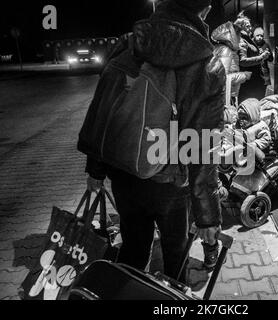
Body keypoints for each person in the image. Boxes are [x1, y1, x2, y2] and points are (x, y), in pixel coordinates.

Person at [78, 0, 225, 280]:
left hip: (123, 171)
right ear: (204, 11)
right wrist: (207, 216)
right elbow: (203, 145)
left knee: (133, 249)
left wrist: (95, 170)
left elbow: (105, 109)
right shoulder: (208, 64)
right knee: (175, 253)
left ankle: (127, 289)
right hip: (169, 181)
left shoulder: (129, 44)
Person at [211, 21, 252, 110]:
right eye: (239, 35)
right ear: (232, 35)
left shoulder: (223, 48)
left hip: (228, 95)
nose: (240, 39)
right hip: (226, 98)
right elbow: (223, 79)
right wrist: (243, 76)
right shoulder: (225, 50)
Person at [235, 13, 272, 103]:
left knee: (254, 106)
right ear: (241, 27)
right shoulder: (242, 40)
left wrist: (261, 55)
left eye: (250, 26)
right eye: (247, 26)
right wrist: (261, 57)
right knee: (251, 107)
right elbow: (242, 61)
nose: (250, 28)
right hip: (250, 82)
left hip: (254, 80)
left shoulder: (247, 39)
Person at [252, 27, 274, 96]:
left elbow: (271, 59)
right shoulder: (251, 45)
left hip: (264, 73)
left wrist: (267, 55)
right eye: (257, 35)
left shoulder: (265, 45)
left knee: (262, 93)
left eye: (261, 36)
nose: (260, 37)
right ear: (254, 36)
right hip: (253, 72)